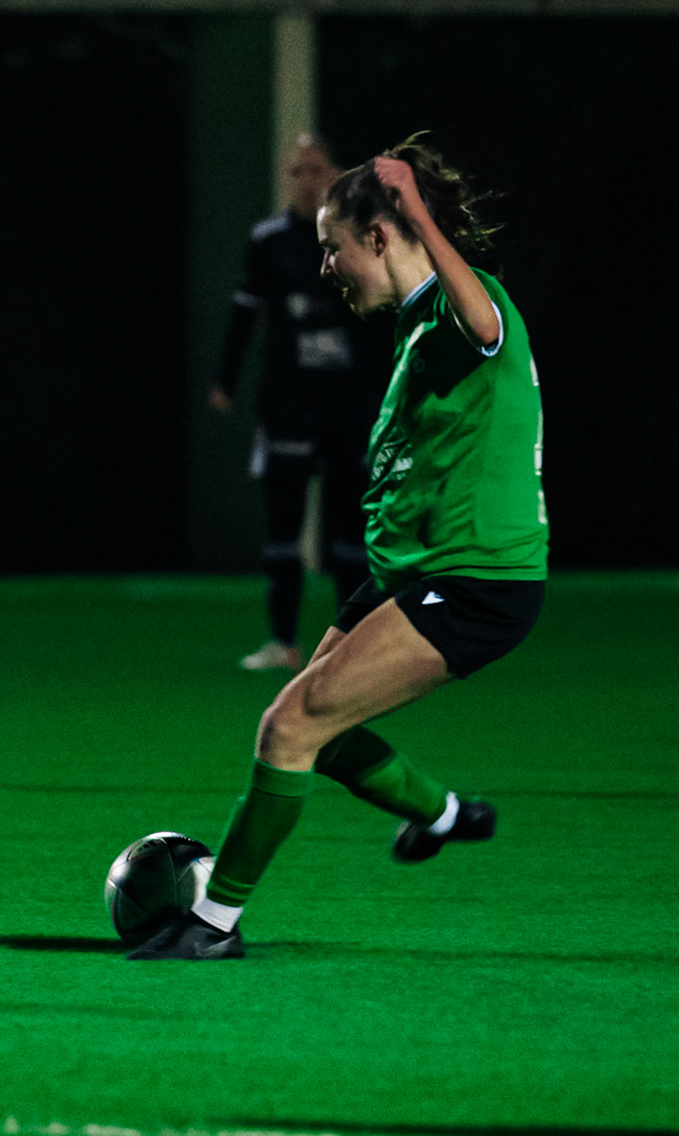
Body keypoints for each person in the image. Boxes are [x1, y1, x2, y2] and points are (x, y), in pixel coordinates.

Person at [132, 134, 548, 960]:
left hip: (473, 581)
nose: (326, 266)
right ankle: (444, 816)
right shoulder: (416, 323)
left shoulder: (461, 307)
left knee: (288, 726)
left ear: (381, 237)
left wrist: (419, 210)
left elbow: (487, 327)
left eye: (334, 248)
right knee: (317, 730)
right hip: (409, 575)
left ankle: (212, 926)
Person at [210, 133, 387, 671]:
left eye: (315, 169)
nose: (306, 181)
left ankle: (349, 645)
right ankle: (283, 642)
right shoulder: (269, 241)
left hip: (347, 405)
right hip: (288, 402)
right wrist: (225, 380)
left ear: (334, 172)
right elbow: (245, 312)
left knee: (350, 530)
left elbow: (383, 315)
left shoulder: (357, 236)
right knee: (283, 526)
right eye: (297, 171)